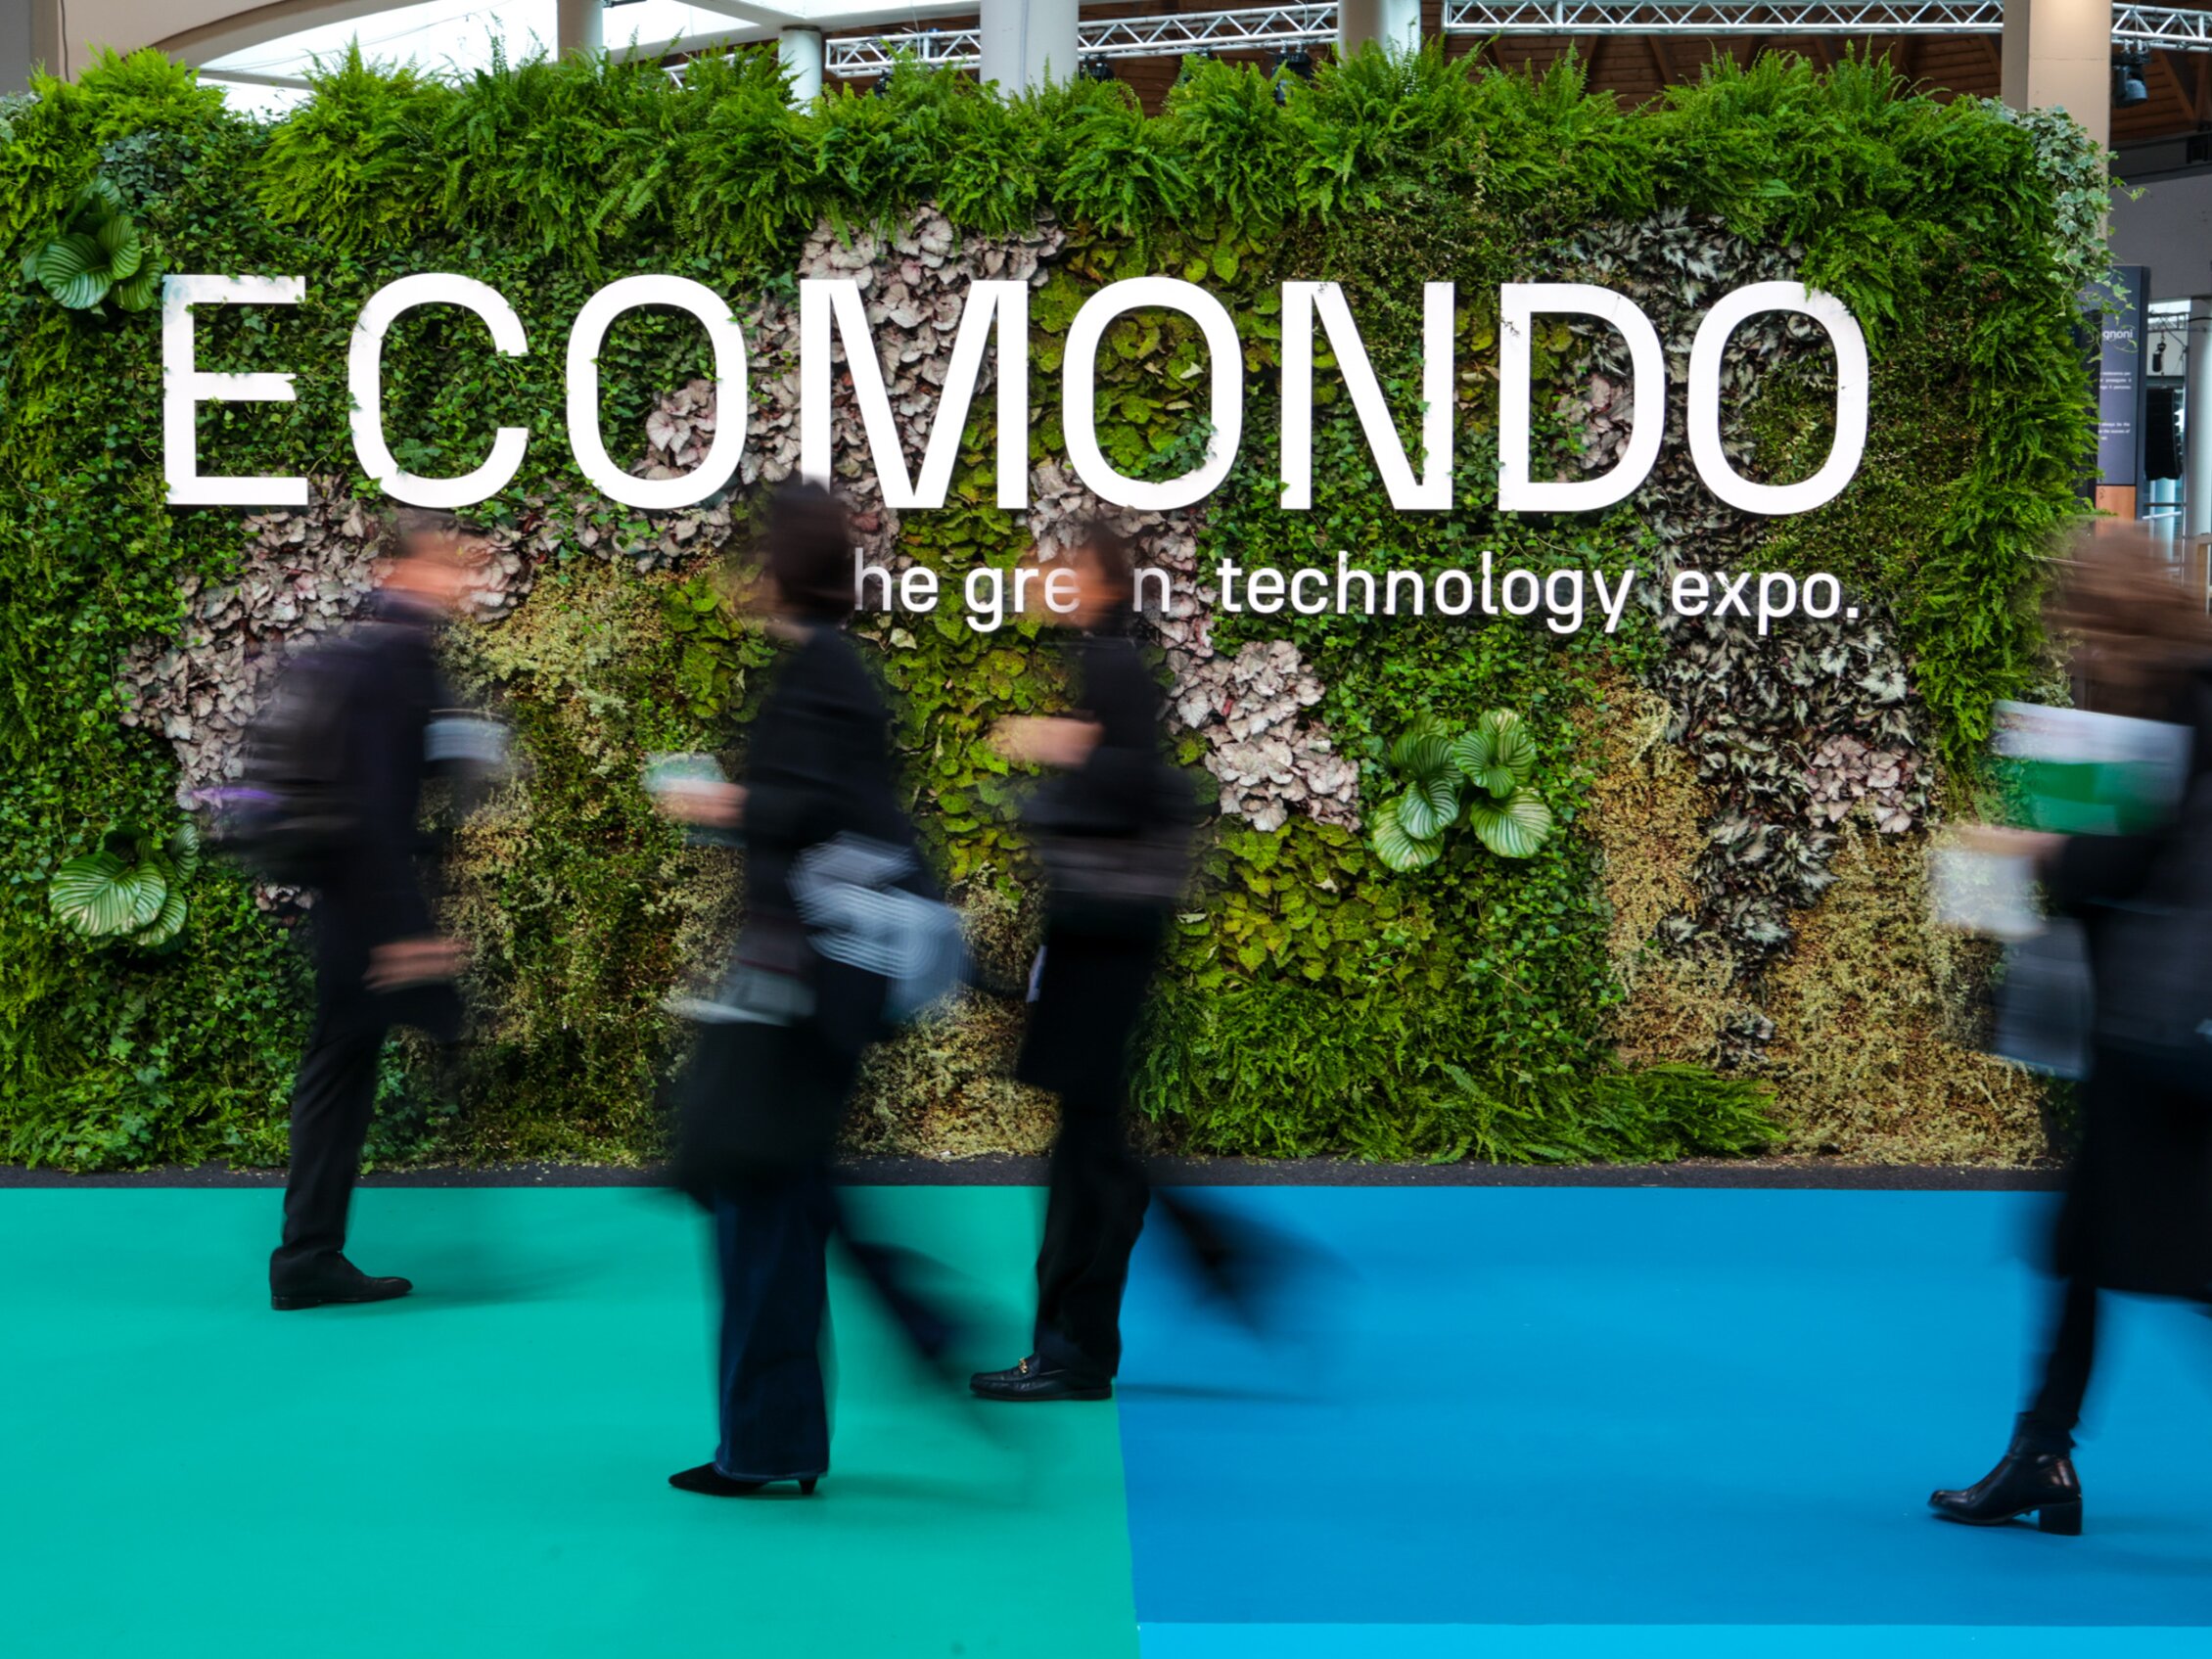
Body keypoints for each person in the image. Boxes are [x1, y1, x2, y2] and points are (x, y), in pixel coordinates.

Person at [657, 482, 948, 1498]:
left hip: (807, 987)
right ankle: (805, 1415)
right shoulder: (830, 670)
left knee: (767, 1205)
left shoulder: (822, 676)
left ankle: (775, 1439)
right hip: (820, 983)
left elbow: (815, 808)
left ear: (777, 569)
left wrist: (724, 800)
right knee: (790, 1198)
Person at [1930, 528, 2212, 1535]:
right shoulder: (2155, 701)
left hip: (2163, 1032)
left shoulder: (2178, 710)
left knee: (2170, 1261)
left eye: (2083, 626)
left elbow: (2113, 871)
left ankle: (2040, 1453)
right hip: (2137, 1028)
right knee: (2087, 1243)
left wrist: (2015, 849)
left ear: (2116, 621)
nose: (2074, 647)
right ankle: (2040, 1455)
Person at [970, 523, 1200, 1403]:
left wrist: (1063, 749)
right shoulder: (1105, 667)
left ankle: (1071, 1349)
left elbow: (1135, 788)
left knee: (1089, 1155)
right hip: (1101, 944)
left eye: (1062, 573)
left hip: (1102, 946)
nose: (1043, 583)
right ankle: (1075, 1342)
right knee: (1092, 1145)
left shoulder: (1111, 671)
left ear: (1098, 586)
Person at [268, 518, 477, 1311]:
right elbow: (375, 805)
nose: (454, 580)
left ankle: (308, 1255)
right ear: (397, 569)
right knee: (351, 1068)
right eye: (440, 566)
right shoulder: (397, 657)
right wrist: (404, 935)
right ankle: (306, 1257)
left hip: (356, 901)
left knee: (340, 1071)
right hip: (370, 910)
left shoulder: (388, 652)